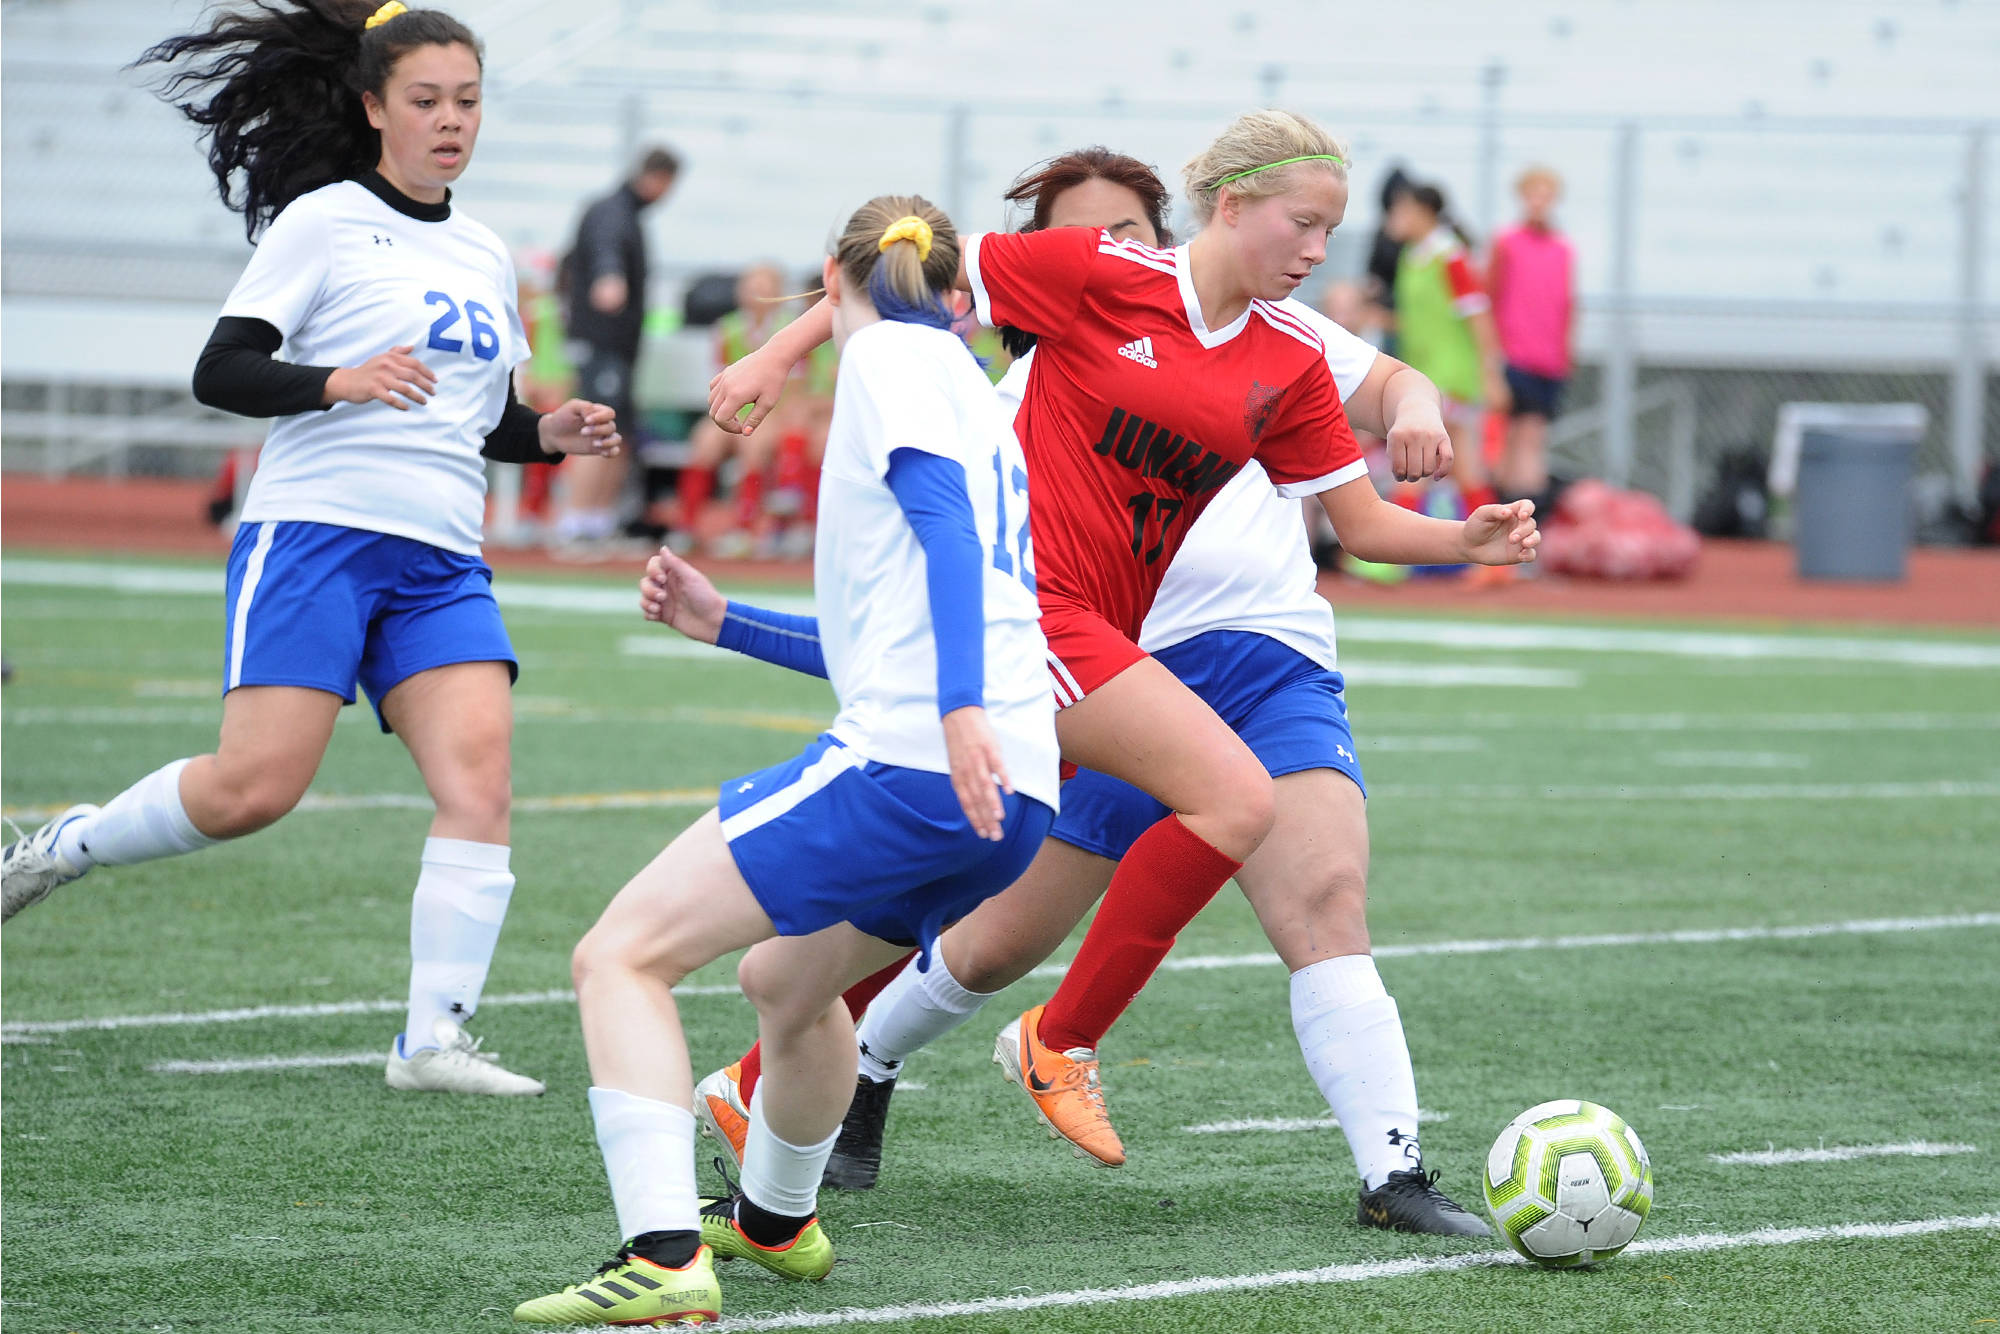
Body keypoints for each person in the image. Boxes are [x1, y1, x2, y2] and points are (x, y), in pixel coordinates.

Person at [708, 111, 1535, 1189]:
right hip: (1036, 615)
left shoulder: (1286, 355)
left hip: (1121, 641)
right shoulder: (1097, 275)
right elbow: (904, 266)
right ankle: (1056, 1039)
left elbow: (1364, 523)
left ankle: (767, 1055)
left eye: (1330, 231)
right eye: (1301, 223)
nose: (1316, 251)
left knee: (973, 877)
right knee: (1228, 803)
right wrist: (775, 353)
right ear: (1228, 205)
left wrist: (1458, 538)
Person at [1, 0, 623, 1097]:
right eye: (425, 100)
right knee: (252, 790)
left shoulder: (483, 251)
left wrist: (552, 435)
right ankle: (65, 845)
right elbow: (223, 371)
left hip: (439, 560)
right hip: (318, 539)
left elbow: (479, 418)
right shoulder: (323, 221)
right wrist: (337, 378)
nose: (449, 121)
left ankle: (430, 1039)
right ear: (373, 105)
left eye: (466, 102)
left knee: (480, 779)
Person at [511, 195, 1059, 1326]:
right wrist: (730, 625)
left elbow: (946, 536)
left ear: (831, 277)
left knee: (618, 955)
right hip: (1018, 793)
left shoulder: (887, 366)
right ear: (958, 295)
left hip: (921, 762)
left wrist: (955, 711)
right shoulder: (968, 381)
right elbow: (896, 624)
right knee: (787, 982)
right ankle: (773, 1218)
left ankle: (660, 1259)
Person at [554, 144, 680, 549]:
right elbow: (604, 249)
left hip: (618, 346)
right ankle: (576, 521)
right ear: (659, 179)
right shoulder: (613, 211)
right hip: (601, 341)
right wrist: (609, 276)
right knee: (597, 427)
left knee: (616, 431)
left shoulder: (624, 212)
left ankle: (597, 519)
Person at [1384, 183, 1511, 544]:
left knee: (1421, 461)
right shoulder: (1414, 256)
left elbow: (1478, 316)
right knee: (1463, 466)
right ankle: (1495, 553)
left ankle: (1391, 553)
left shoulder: (1451, 256)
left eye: (1401, 209)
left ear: (1423, 212)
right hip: (1424, 373)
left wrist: (1491, 374)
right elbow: (1421, 320)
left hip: (1450, 374)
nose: (1394, 218)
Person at [1488, 165, 1576, 509]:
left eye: (1546, 194)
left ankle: (1520, 521)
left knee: (1531, 441)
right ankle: (1515, 518)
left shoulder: (1562, 249)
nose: (1539, 201)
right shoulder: (1507, 242)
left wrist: (1566, 354)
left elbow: (1567, 304)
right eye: (1533, 193)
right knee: (1515, 441)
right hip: (1514, 356)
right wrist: (1492, 356)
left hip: (1549, 360)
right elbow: (1490, 296)